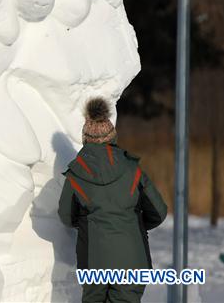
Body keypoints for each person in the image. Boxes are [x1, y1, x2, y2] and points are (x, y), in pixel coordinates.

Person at [58, 98, 167, 303]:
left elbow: (66, 215)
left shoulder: (76, 174)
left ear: (86, 137)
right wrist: (135, 223)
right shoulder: (132, 168)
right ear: (112, 136)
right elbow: (159, 212)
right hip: (132, 260)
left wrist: (85, 221)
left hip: (93, 261)